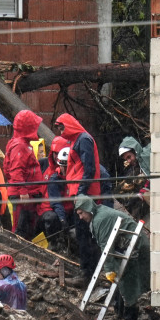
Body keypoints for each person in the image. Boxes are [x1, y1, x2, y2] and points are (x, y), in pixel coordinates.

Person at [74, 195, 150, 320]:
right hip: (127, 247)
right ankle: (121, 315)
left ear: (88, 209)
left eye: (81, 213)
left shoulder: (101, 219)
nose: (80, 218)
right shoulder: (99, 214)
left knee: (129, 285)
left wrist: (109, 269)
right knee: (124, 283)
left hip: (135, 249)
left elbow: (106, 246)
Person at [56, 113, 103, 275]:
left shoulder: (82, 140)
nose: (60, 131)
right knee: (85, 234)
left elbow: (88, 169)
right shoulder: (79, 140)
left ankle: (87, 273)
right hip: (83, 194)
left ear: (68, 125)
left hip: (84, 196)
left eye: (61, 126)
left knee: (85, 235)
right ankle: (89, 271)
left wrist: (81, 192)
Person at [5, 110, 51, 241]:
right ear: (28, 127)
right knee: (22, 231)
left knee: (26, 229)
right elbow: (16, 170)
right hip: (24, 196)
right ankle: (19, 256)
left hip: (25, 194)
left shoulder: (19, 143)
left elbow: (9, 170)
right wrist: (23, 191)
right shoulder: (20, 145)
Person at [116, 136, 151, 221]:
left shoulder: (147, 156)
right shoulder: (136, 166)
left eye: (129, 157)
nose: (128, 161)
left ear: (135, 151)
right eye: (126, 159)